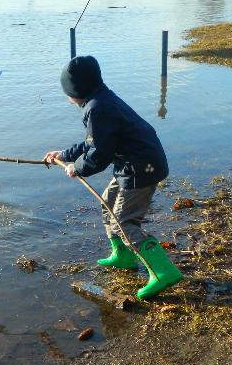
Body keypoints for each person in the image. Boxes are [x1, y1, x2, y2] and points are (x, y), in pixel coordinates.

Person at [44, 55, 182, 300]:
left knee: (124, 222)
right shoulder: (100, 100)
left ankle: (163, 271)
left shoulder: (98, 108)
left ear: (77, 90)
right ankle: (123, 256)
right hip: (132, 165)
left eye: (67, 92)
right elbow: (93, 142)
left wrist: (77, 168)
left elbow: (100, 154)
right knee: (107, 203)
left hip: (141, 168)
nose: (67, 98)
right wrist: (63, 154)